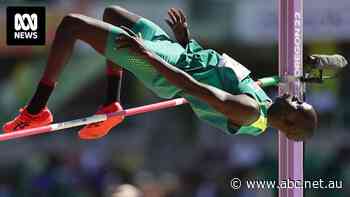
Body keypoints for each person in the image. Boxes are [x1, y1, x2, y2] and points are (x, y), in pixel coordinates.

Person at [2, 6, 317, 141]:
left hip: (166, 70)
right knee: (112, 12)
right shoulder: (263, 99)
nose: (294, 96)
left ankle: (35, 110)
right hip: (177, 53)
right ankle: (112, 105)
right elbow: (215, 69)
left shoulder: (249, 112)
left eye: (298, 105)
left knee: (71, 25)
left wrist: (146, 55)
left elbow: (194, 87)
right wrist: (186, 40)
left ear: (289, 123)